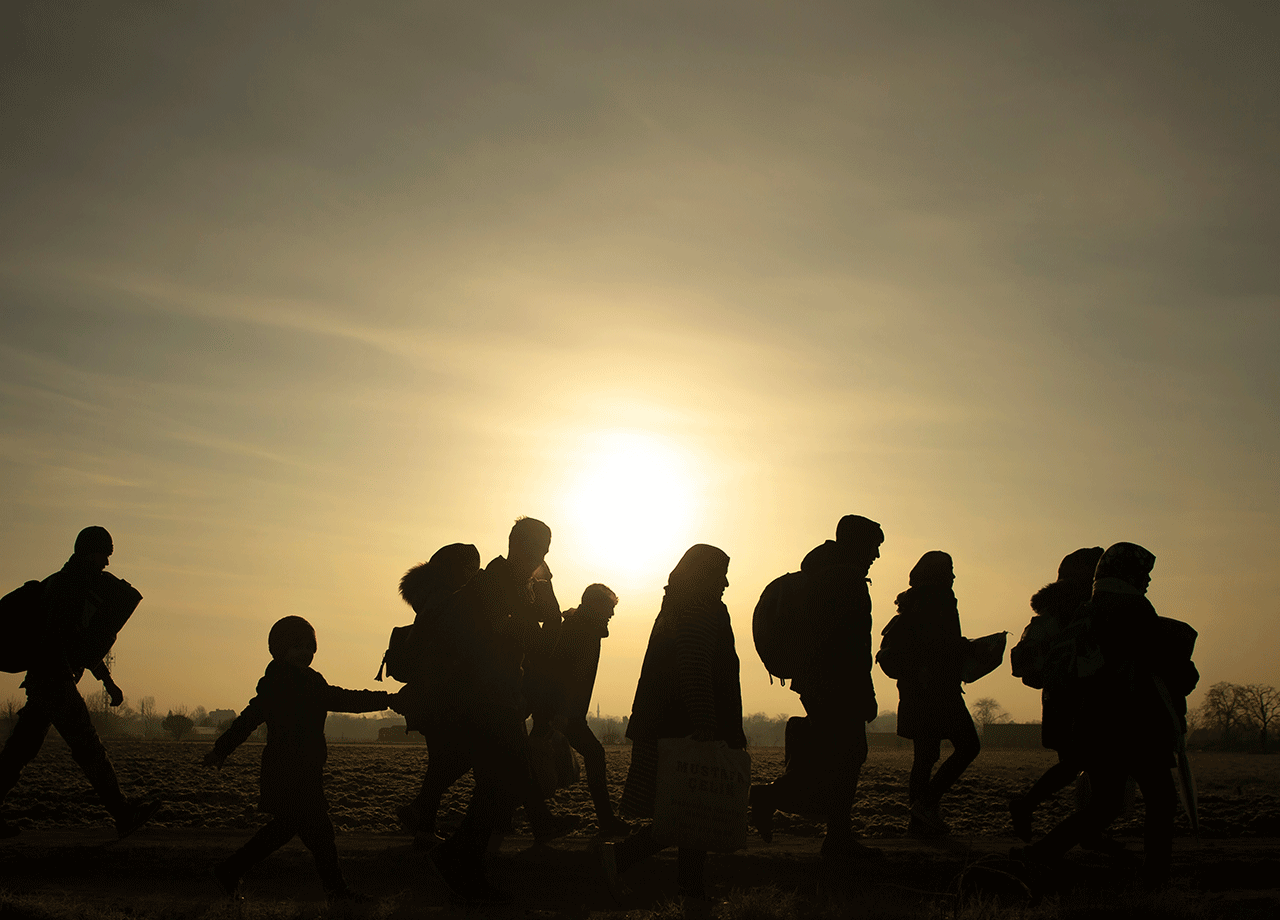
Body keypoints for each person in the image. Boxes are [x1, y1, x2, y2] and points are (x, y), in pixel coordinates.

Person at [1014, 542, 1195, 886]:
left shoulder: (1091, 608)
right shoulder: (1132, 606)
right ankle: (1154, 875)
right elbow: (1158, 660)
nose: (1147, 580)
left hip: (1095, 721)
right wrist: (1186, 674)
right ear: (1128, 573)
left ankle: (1041, 853)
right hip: (1135, 720)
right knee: (1161, 800)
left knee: (1106, 803)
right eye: (1143, 573)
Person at [204, 615, 397, 903]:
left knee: (300, 832)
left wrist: (387, 700)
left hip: (303, 769)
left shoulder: (308, 682)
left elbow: (343, 700)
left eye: (309, 647)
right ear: (280, 649)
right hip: (287, 771)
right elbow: (247, 721)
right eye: (298, 646)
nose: (305, 653)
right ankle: (336, 892)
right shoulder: (280, 685)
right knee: (312, 832)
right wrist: (221, 749)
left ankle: (230, 872)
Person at [426, 517, 565, 903]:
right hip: (485, 700)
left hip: (492, 698)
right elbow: (538, 643)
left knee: (500, 788)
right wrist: (548, 596)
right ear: (523, 547)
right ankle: (459, 862)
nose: (545, 558)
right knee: (503, 786)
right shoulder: (499, 588)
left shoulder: (502, 584)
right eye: (541, 550)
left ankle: (460, 862)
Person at [601, 544, 745, 907]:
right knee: (687, 809)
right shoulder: (700, 607)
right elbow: (695, 667)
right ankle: (621, 860)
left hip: (667, 722)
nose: (725, 582)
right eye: (719, 573)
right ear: (704, 575)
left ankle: (689, 888)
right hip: (685, 724)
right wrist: (707, 724)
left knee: (688, 808)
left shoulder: (676, 606)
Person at [0, 527, 159, 839]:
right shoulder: (70, 587)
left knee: (20, 750)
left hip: (46, 681)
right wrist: (67, 678)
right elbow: (61, 640)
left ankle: (123, 811)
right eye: (105, 555)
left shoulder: (68, 584)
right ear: (90, 552)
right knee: (88, 747)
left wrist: (106, 681)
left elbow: (79, 645)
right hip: (54, 681)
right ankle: (123, 813)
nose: (107, 563)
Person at [749, 514, 885, 860]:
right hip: (837, 685)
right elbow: (851, 645)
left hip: (818, 682)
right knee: (847, 757)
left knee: (836, 759)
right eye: (874, 546)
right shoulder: (845, 581)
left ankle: (830, 832)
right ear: (857, 544)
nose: (877, 555)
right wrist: (863, 693)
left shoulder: (823, 576)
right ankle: (825, 831)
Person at [1008, 547, 1104, 842]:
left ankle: (1081, 826)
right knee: (1088, 765)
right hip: (1077, 700)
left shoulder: (1050, 617)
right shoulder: (1081, 614)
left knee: (1078, 765)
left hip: (1058, 700)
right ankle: (1082, 829)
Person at [883, 550, 980, 837]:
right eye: (949, 570)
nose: (953, 576)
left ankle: (918, 822)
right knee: (968, 746)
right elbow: (940, 648)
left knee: (924, 758)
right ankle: (925, 806)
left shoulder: (912, 604)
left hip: (916, 692)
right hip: (939, 692)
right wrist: (967, 649)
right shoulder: (940, 602)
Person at [392, 542, 483, 847]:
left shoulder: (432, 598)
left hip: (430, 694)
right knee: (461, 757)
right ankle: (420, 815)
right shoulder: (448, 600)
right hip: (441, 695)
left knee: (441, 762)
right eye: (470, 568)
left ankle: (422, 825)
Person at [534, 583, 629, 837]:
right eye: (609, 608)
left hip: (560, 710)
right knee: (594, 755)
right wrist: (563, 715)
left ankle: (530, 819)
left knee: (529, 761)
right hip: (562, 712)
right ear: (596, 607)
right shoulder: (582, 632)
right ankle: (606, 821)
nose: (612, 614)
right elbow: (567, 675)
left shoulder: (582, 628)